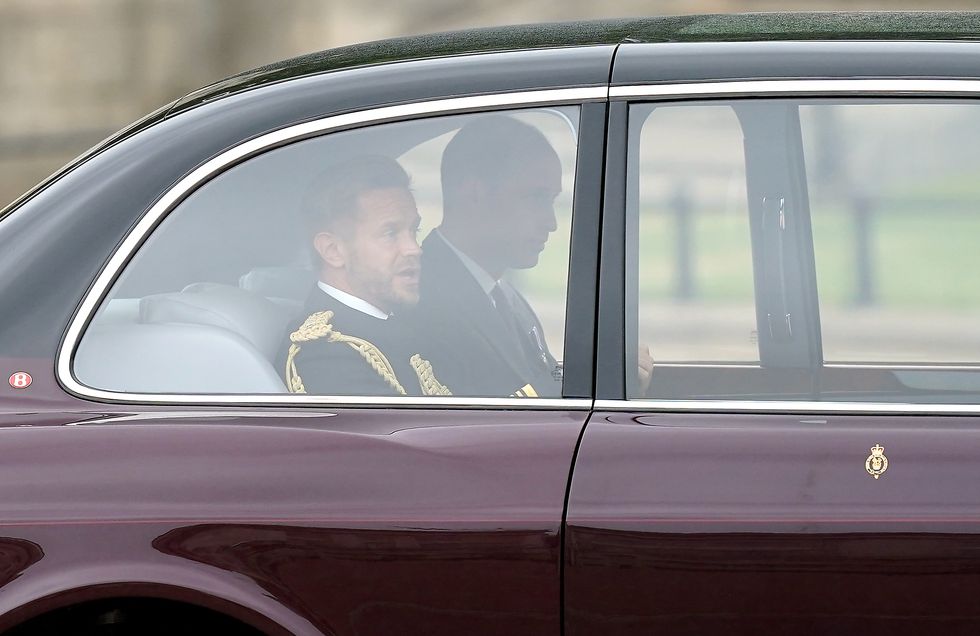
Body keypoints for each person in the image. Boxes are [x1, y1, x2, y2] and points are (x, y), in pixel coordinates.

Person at [413, 115, 564, 397]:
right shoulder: (422, 299)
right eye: (536, 197)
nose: (551, 222)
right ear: (475, 194)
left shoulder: (503, 295)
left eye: (551, 200)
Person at [280, 155, 450, 396]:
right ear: (333, 251)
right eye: (390, 233)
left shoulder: (398, 320)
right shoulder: (325, 357)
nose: (414, 248)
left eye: (414, 230)